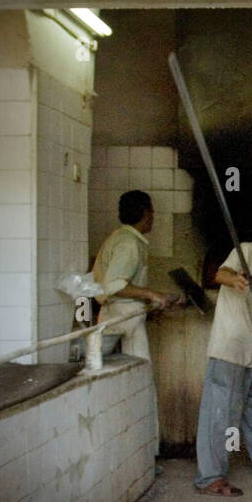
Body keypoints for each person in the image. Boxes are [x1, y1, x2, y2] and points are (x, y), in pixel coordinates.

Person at [193, 207, 252, 496]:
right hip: (231, 346)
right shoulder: (246, 250)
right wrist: (235, 280)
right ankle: (210, 477)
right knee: (220, 412)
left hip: (251, 348)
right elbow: (220, 273)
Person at [92, 190, 182, 453]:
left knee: (127, 384)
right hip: (122, 320)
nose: (154, 216)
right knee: (139, 383)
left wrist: (154, 301)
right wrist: (151, 295)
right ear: (146, 213)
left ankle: (136, 450)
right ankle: (142, 452)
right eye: (152, 210)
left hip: (120, 315)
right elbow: (115, 285)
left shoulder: (123, 239)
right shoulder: (129, 244)